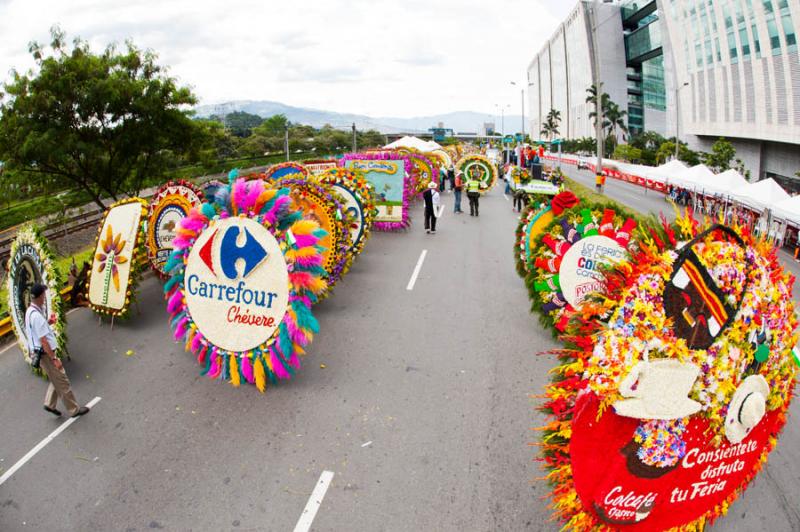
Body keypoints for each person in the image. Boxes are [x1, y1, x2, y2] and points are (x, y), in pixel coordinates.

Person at [26, 283, 90, 418]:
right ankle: (74, 409)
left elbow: (36, 331)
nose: (44, 297)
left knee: (57, 377)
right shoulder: (36, 316)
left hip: (40, 354)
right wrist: (54, 358)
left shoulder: (30, 311)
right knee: (62, 381)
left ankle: (49, 403)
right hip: (45, 355)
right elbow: (43, 341)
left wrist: (48, 323)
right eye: (43, 295)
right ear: (39, 297)